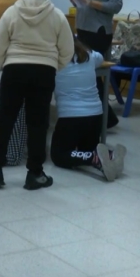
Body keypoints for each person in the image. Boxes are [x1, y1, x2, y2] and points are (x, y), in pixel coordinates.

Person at [0, 0, 73, 190]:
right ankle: (35, 174)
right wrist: (53, 65)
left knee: (4, 120)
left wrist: (3, 64)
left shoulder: (11, 12)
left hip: (14, 69)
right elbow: (67, 49)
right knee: (38, 123)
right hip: (44, 72)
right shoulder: (57, 16)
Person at [50, 38, 127, 181]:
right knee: (87, 148)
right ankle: (108, 155)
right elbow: (100, 58)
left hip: (71, 117)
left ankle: (93, 158)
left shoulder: (53, 59)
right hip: (95, 116)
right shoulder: (88, 55)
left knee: (58, 155)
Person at [70, 0, 125, 128]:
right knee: (87, 75)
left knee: (92, 75)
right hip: (84, 28)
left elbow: (116, 6)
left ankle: (104, 119)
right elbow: (86, 3)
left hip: (98, 32)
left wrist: (88, 1)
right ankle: (103, 118)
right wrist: (77, 1)